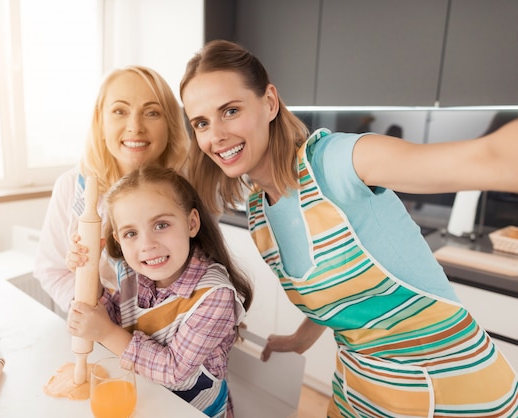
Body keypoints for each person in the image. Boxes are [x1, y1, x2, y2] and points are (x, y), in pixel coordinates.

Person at [179, 39, 518, 417]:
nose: (216, 136)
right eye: (202, 123)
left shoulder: (338, 162)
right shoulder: (261, 216)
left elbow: (490, 158)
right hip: (361, 388)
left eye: (230, 110)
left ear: (270, 102)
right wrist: (300, 338)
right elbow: (341, 293)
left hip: (452, 390)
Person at [67, 166, 253, 418]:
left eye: (161, 224)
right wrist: (90, 279)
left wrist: (106, 332)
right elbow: (112, 318)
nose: (147, 245)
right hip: (144, 400)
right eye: (131, 233)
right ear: (119, 241)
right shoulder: (133, 274)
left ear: (192, 223)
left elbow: (174, 371)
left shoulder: (215, 296)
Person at [34, 66, 189, 314]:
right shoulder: (72, 187)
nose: (135, 126)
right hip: (100, 339)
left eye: (152, 113)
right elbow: (51, 270)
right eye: (119, 111)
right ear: (101, 121)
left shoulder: (188, 188)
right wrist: (95, 311)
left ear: (170, 124)